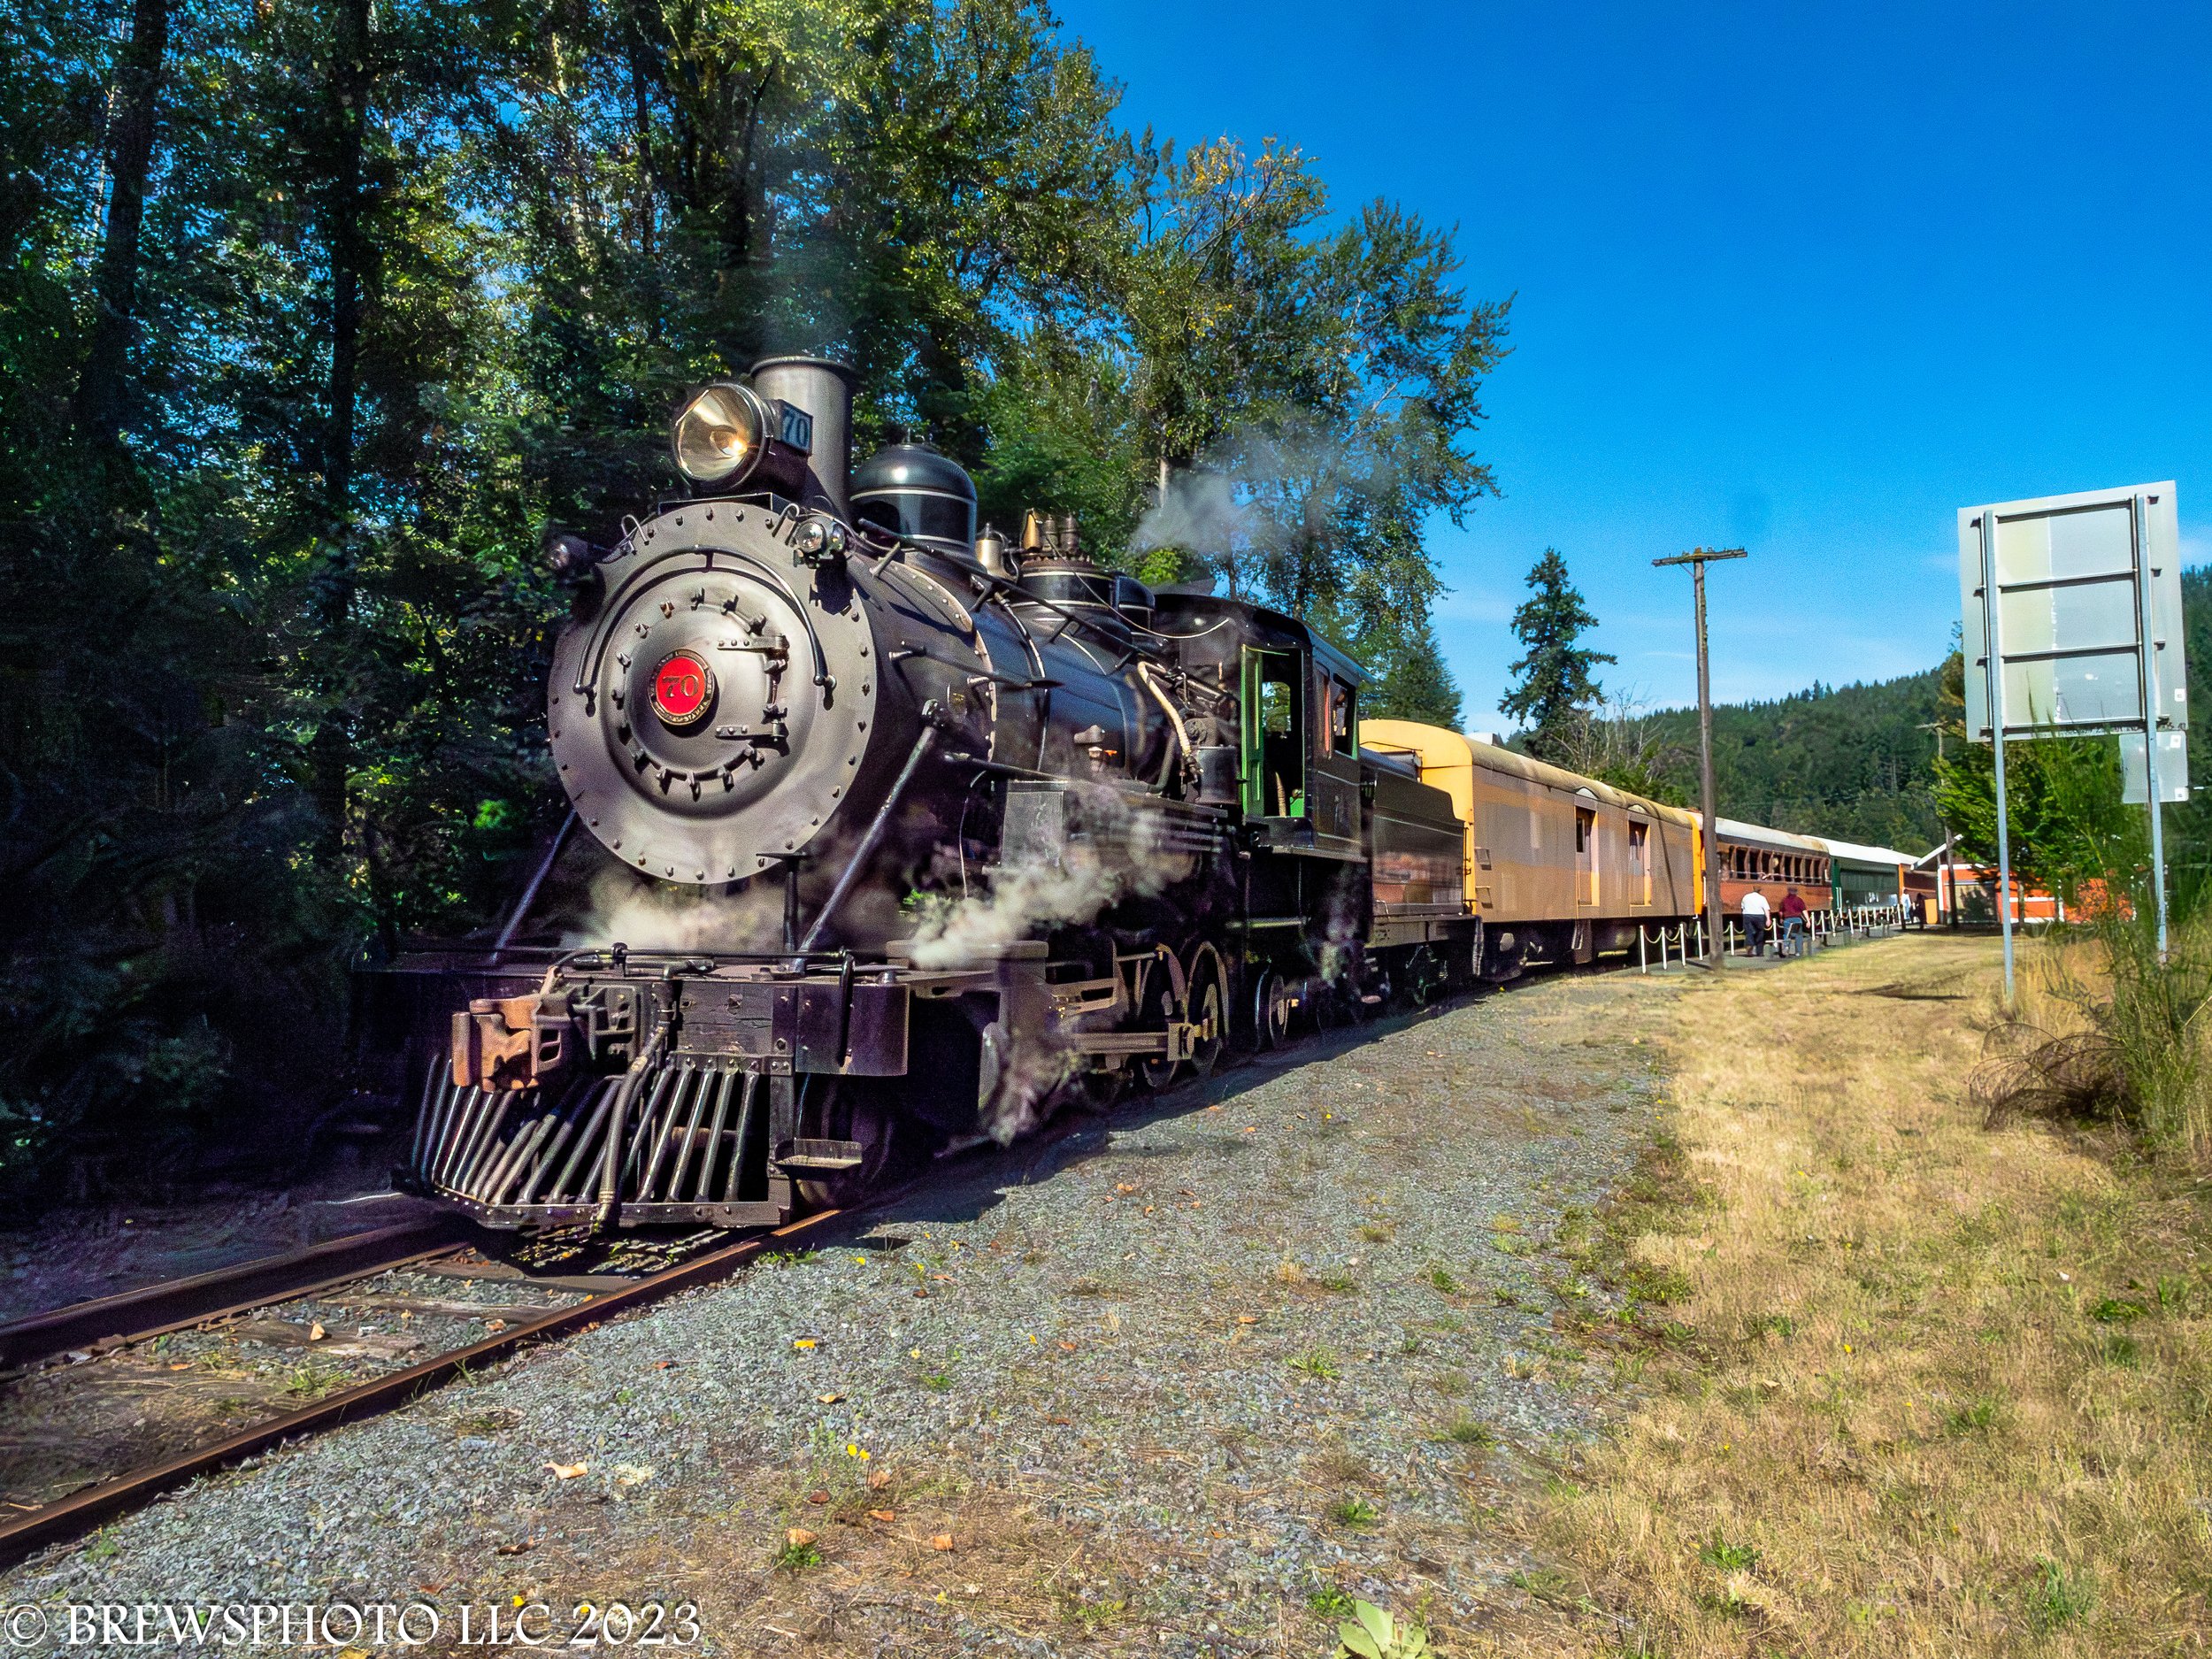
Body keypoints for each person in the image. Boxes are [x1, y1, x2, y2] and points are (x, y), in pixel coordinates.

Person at [1740, 886, 1771, 956]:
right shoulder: (1762, 898)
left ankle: (1750, 947)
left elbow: (1742, 907)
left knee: (1749, 932)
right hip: (1759, 916)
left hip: (1747, 915)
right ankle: (1759, 952)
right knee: (1760, 932)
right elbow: (1766, 909)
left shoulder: (1746, 897)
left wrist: (1744, 915)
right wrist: (1768, 919)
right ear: (1760, 891)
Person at [1778, 885, 1808, 956]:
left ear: (1788, 891)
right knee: (1798, 935)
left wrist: (1781, 918)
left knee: (1787, 934)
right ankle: (1798, 952)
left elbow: (1781, 911)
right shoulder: (1799, 900)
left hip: (1787, 919)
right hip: (1797, 919)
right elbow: (1804, 910)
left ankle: (1786, 948)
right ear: (1796, 892)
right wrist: (1808, 920)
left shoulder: (1784, 900)